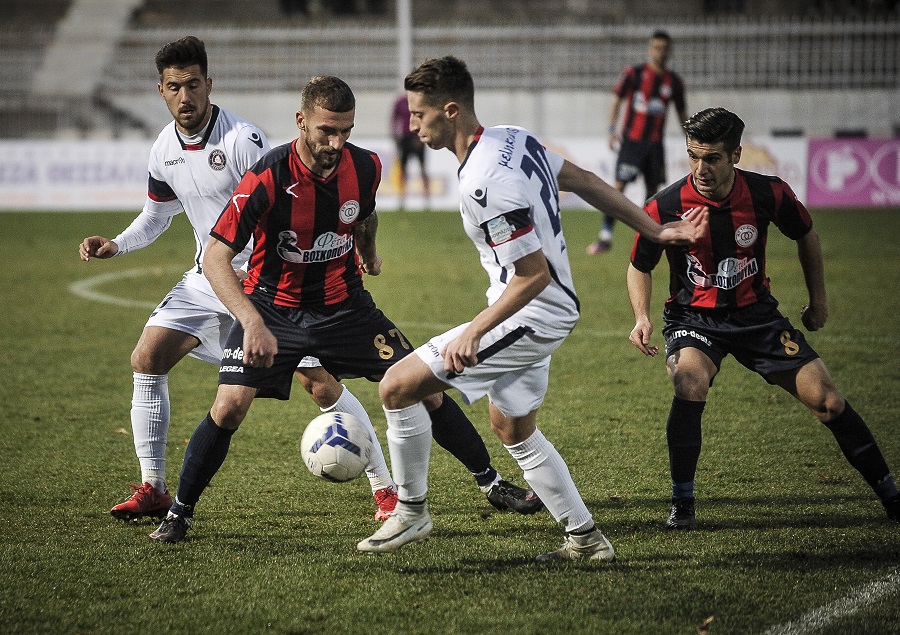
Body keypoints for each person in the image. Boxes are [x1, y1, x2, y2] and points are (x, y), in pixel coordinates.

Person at [149, 74, 540, 544]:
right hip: (273, 310)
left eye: (346, 131)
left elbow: (365, 213)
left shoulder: (367, 166)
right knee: (229, 407)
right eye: (326, 131)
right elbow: (214, 258)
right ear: (301, 122)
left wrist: (369, 251)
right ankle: (179, 514)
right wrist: (251, 321)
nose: (336, 143)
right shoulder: (268, 176)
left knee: (426, 386)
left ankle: (491, 482)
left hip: (346, 308)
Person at [357, 56, 708, 561]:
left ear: (450, 111)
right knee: (511, 427)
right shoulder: (513, 139)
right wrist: (654, 229)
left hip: (533, 311)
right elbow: (585, 179)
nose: (411, 125)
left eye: (418, 114)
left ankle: (410, 512)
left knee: (396, 386)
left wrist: (473, 331)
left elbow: (532, 274)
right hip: (542, 305)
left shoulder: (485, 183)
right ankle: (586, 540)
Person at [79, 36, 401, 523]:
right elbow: (156, 215)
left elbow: (290, 205)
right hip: (206, 277)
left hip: (262, 281)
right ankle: (154, 487)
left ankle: (385, 487)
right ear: (161, 91)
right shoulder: (163, 148)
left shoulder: (242, 141)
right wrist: (117, 244)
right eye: (173, 87)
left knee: (317, 382)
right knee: (147, 356)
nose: (185, 96)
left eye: (193, 85)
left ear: (208, 85)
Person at [626, 107, 899, 529]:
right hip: (694, 319)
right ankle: (683, 503)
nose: (700, 168)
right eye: (693, 156)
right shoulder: (665, 205)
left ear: (736, 154)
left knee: (829, 401)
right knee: (689, 381)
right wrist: (641, 317)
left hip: (758, 318)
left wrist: (818, 299)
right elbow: (639, 264)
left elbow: (806, 232)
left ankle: (890, 496)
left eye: (712, 158)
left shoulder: (767, 194)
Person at [587, 30, 687, 255]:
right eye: (656, 47)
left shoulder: (675, 82)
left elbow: (682, 113)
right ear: (650, 49)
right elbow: (616, 100)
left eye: (664, 48)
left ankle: (649, 239)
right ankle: (605, 236)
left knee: (653, 194)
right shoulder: (634, 73)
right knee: (618, 187)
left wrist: (692, 139)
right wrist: (612, 129)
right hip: (632, 142)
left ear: (669, 51)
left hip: (655, 146)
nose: (660, 52)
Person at [390, 92, 430, 210]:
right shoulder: (401, 101)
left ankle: (426, 199)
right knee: (403, 169)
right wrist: (395, 136)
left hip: (418, 136)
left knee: (422, 168)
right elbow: (394, 119)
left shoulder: (420, 101)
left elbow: (425, 119)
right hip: (405, 138)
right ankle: (402, 199)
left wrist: (421, 135)